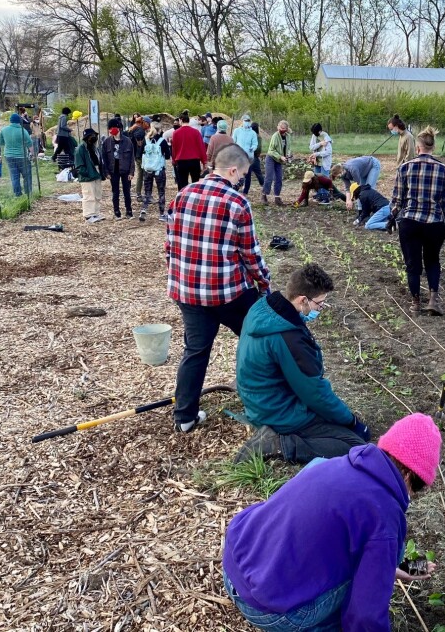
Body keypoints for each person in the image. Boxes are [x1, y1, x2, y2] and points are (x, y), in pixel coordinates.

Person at [224, 413, 441, 630]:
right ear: (408, 475)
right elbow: (366, 614)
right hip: (270, 610)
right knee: (392, 550)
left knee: (367, 548)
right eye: (416, 487)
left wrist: (405, 569)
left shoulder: (335, 463)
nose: (412, 494)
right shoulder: (383, 513)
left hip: (236, 563)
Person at [166, 144, 270, 433]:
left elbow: (170, 244)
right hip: (227, 292)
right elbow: (250, 254)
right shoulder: (237, 203)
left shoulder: (181, 195)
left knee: (196, 351)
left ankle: (184, 417)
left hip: (187, 292)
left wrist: (177, 278)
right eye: (243, 175)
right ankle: (267, 400)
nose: (241, 181)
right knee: (258, 337)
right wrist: (265, 285)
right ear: (233, 170)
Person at [235, 264, 370, 463]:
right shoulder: (289, 339)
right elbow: (314, 392)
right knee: (356, 445)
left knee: (335, 423)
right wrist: (351, 420)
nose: (321, 309)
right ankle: (278, 444)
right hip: (275, 411)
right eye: (319, 304)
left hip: (260, 398)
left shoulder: (264, 307)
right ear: (303, 300)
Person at [389, 126, 445, 316]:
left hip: (410, 222)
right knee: (433, 261)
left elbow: (397, 199)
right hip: (434, 224)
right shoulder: (443, 169)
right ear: (433, 148)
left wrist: (392, 217)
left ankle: (416, 303)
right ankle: (434, 299)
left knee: (412, 263)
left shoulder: (405, 167)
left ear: (417, 148)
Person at [100, 117, 135, 219]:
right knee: (115, 192)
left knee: (126, 191)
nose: (111, 130)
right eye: (109, 128)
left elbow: (132, 158)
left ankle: (129, 210)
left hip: (125, 170)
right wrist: (106, 172)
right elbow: (104, 159)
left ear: (119, 128)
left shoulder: (128, 141)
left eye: (113, 128)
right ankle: (116, 211)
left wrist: (131, 172)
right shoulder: (106, 142)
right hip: (113, 170)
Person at [141, 122, 172, 222]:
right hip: (159, 170)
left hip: (147, 170)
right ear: (160, 130)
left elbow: (141, 152)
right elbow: (167, 156)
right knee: (161, 191)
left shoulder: (146, 140)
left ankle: (144, 209)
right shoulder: (162, 141)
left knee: (147, 191)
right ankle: (162, 214)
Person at [0, 113, 33, 198]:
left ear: (10, 121)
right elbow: (29, 143)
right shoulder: (23, 130)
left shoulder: (4, 130)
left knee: (14, 176)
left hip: (9, 156)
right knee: (27, 175)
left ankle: (17, 194)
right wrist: (33, 154)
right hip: (22, 156)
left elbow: (1, 142)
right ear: (19, 121)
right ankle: (28, 192)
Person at [74, 128, 105, 223]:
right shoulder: (80, 149)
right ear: (87, 138)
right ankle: (88, 215)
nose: (94, 138)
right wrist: (87, 173)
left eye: (95, 136)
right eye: (92, 136)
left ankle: (95, 213)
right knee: (88, 196)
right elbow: (79, 166)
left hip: (96, 173)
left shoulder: (94, 147)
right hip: (87, 177)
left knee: (97, 195)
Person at [171, 111, 207, 189]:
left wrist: (174, 160)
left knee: (182, 184)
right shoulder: (196, 132)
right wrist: (204, 161)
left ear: (181, 120)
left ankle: (183, 199)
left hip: (181, 161)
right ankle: (195, 199)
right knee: (196, 183)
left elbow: (174, 148)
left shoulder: (176, 133)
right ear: (189, 120)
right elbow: (201, 147)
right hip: (194, 161)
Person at [263, 120, 291, 205]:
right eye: (280, 128)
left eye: (284, 128)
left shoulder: (288, 136)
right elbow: (271, 150)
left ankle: (277, 197)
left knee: (279, 178)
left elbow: (288, 147)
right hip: (271, 158)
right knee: (269, 177)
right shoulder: (275, 136)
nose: (282, 129)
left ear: (286, 129)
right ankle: (264, 195)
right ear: (278, 127)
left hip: (279, 160)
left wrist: (288, 155)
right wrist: (280, 156)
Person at [232, 114, 259, 195]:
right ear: (242, 121)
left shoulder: (253, 133)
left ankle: (245, 192)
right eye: (245, 121)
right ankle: (235, 189)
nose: (247, 122)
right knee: (237, 173)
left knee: (247, 174)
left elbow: (255, 143)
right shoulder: (237, 131)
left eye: (248, 121)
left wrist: (253, 148)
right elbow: (233, 141)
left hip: (248, 156)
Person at [128, 115, 148, 202]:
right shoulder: (140, 130)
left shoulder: (132, 129)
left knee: (140, 174)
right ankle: (139, 194)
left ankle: (139, 193)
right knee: (141, 175)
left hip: (136, 155)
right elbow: (139, 139)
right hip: (140, 155)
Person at [250, 122, 265, 188]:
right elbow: (259, 148)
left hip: (248, 156)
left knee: (245, 173)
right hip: (254, 156)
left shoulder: (249, 135)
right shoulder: (258, 136)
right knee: (258, 173)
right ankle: (264, 186)